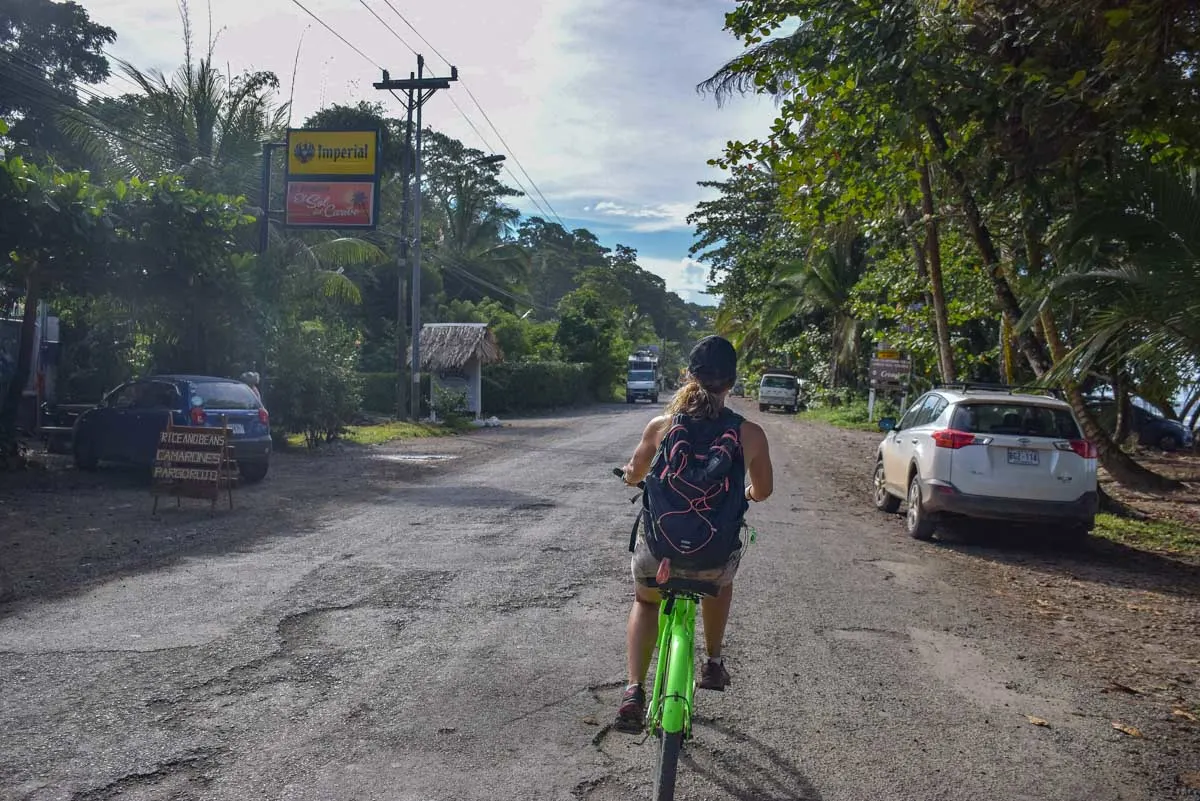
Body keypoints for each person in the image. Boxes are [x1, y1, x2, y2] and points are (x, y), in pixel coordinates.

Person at [614, 335, 773, 732]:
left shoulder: (662, 426)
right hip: (713, 556)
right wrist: (747, 492)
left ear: (688, 375)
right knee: (720, 581)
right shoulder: (749, 434)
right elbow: (763, 491)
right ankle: (714, 662)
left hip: (659, 552)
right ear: (732, 382)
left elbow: (634, 472)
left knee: (646, 602)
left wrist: (632, 479)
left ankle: (634, 690)